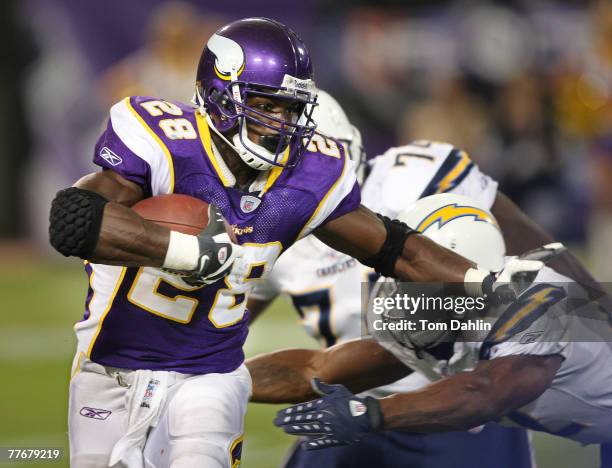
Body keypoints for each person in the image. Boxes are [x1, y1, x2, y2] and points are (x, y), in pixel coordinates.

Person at [48, 18, 541, 468]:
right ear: (220, 95)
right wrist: (187, 255)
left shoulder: (327, 182)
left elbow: (404, 250)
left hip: (227, 381)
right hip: (118, 369)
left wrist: (503, 291)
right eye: (265, 106)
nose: (282, 127)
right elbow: (73, 219)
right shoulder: (169, 145)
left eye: (290, 111)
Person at [247, 90, 535, 467]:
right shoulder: (271, 230)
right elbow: (219, 323)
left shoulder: (413, 178)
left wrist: (591, 306)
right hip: (348, 404)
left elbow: (536, 250)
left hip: (457, 401)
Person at [262, 194, 612, 466]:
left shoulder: (539, 297)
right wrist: (216, 373)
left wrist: (368, 415)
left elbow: (484, 393)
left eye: (418, 280)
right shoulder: (434, 314)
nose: (403, 293)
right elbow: (316, 370)